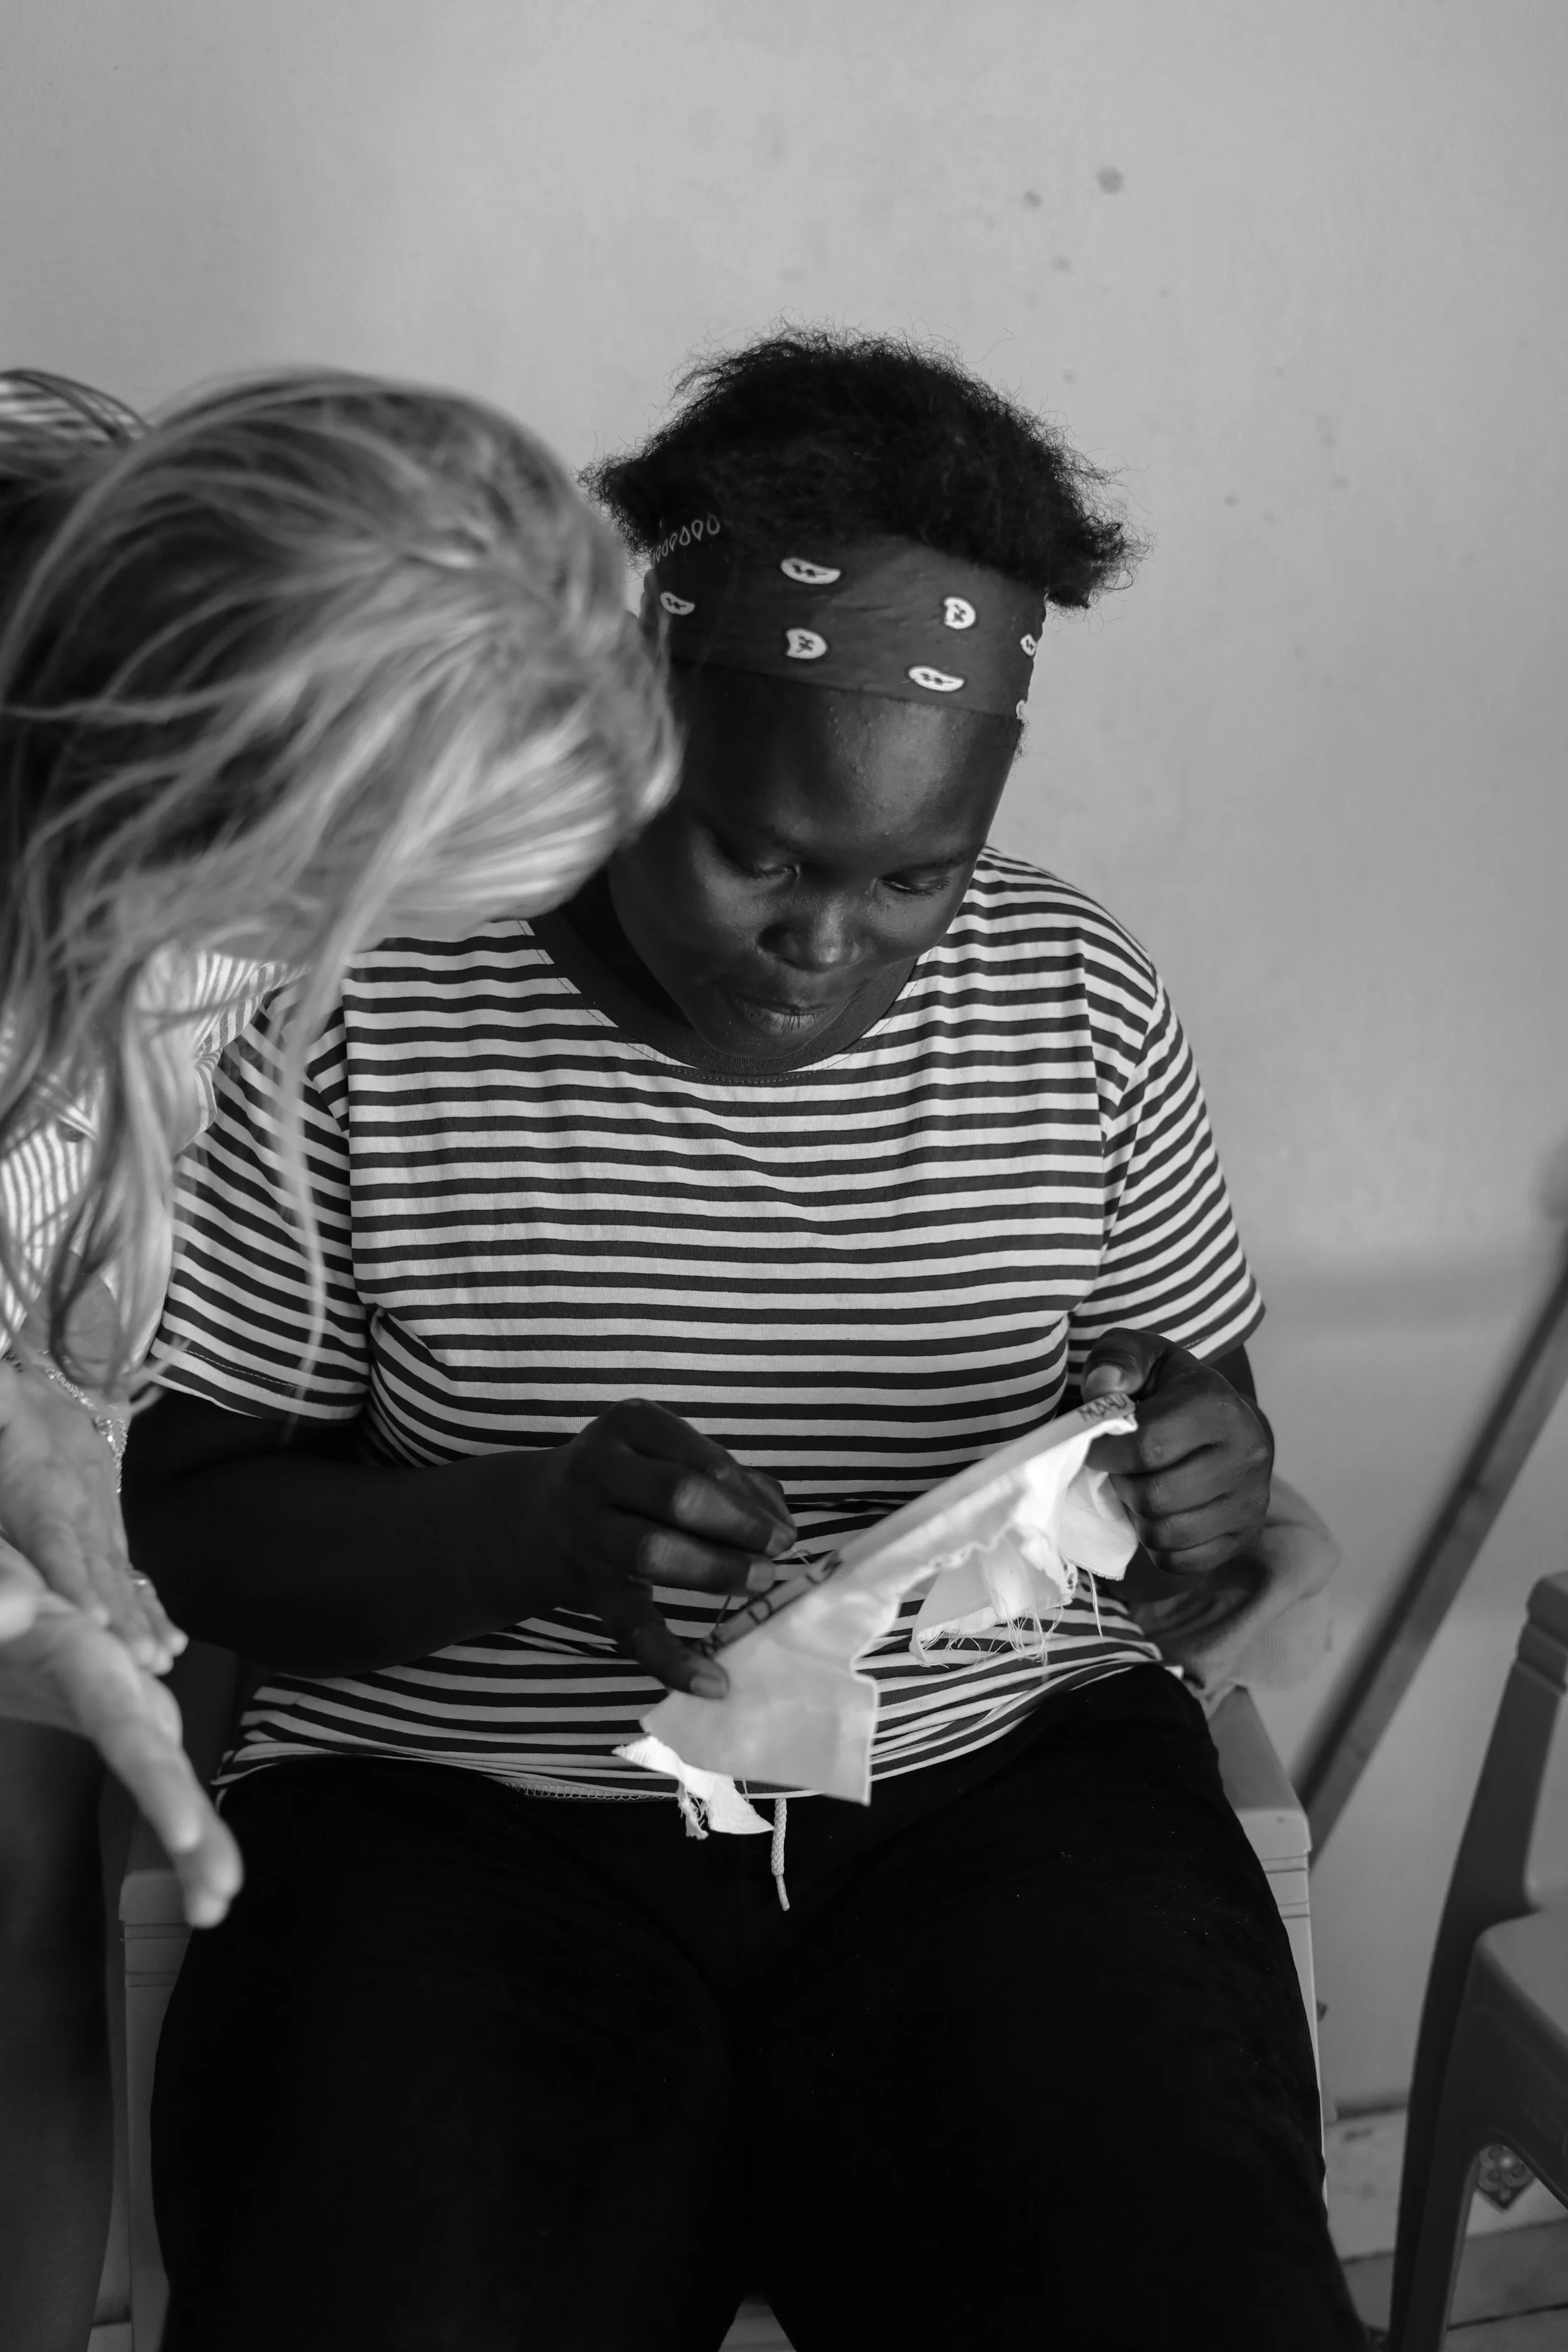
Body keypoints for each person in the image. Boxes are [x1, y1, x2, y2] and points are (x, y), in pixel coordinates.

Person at [125, 329, 1362, 2351]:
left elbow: (1185, 1430)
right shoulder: (363, 1003)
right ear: (636, 723)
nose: (827, 943)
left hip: (995, 1805)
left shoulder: (1075, 993)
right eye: (759, 852)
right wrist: (525, 1533)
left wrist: (1201, 1464)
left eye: (913, 879)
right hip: (463, 1824)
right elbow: (189, 1522)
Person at [0, 366, 675, 2352]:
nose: (311, 978)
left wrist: (41, 1412)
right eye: (321, 915)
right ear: (189, 792)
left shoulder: (166, 829)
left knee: (46, 1891)